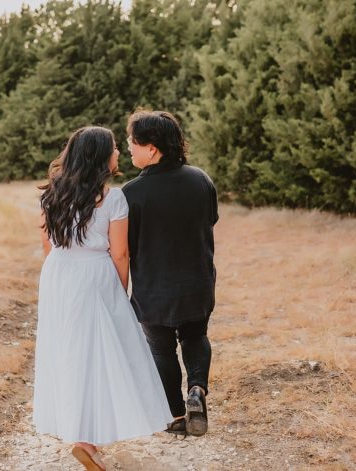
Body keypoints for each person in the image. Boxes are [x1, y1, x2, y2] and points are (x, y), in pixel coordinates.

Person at [32, 126, 171, 470]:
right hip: (95, 274)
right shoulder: (113, 198)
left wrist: (58, 274)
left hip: (58, 273)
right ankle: (86, 439)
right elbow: (120, 253)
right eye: (113, 149)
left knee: (67, 350)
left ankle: (78, 431)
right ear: (100, 157)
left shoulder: (51, 193)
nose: (119, 154)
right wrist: (119, 292)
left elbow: (47, 244)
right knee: (97, 354)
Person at [122, 110, 219, 436]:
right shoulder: (201, 179)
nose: (128, 147)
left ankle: (177, 415)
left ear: (152, 148)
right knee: (195, 336)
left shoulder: (131, 193)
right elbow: (210, 220)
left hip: (154, 287)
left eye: (133, 141)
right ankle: (197, 390)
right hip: (197, 282)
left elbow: (126, 245)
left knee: (161, 349)